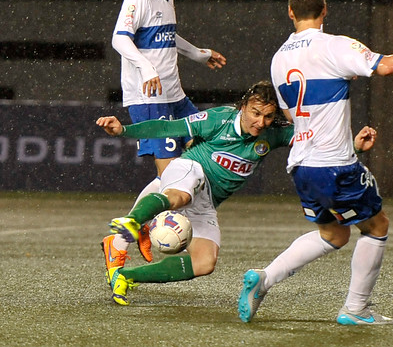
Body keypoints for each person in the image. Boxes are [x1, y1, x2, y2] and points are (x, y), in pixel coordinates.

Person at [237, 0, 393, 325]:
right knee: (376, 225)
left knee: (334, 234)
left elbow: (290, 115)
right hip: (333, 165)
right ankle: (356, 309)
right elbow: (386, 65)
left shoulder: (278, 59)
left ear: (290, 12)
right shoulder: (335, 46)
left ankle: (265, 278)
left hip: (302, 166)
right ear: (325, 10)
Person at [97, 81, 377, 306]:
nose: (261, 121)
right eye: (255, 113)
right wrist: (124, 130)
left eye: (268, 116)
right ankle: (132, 222)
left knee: (204, 262)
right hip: (190, 170)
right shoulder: (218, 118)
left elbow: (316, 146)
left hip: (207, 202)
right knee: (179, 196)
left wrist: (353, 146)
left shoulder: (274, 133)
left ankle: (125, 277)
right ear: (244, 107)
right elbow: (168, 128)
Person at [107, 0, 227, 264]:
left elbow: (168, 36)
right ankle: (121, 239)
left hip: (175, 96)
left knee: (204, 149)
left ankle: (141, 223)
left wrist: (199, 55)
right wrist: (145, 67)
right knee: (174, 175)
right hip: (150, 100)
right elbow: (120, 38)